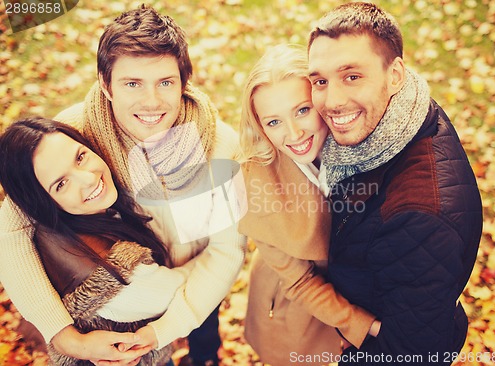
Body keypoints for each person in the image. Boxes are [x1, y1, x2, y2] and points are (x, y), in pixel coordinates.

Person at [0, 5, 245, 366]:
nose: (151, 102)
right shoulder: (75, 135)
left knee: (205, 336)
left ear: (184, 81)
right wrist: (65, 337)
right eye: (132, 83)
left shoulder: (221, 146)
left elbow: (226, 252)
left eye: (165, 82)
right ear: (106, 84)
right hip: (131, 283)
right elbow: (12, 230)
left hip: (199, 276)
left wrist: (166, 328)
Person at [307, 2, 482, 365]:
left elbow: (410, 356)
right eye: (320, 81)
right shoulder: (406, 113)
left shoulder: (418, 218)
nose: (333, 101)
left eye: (352, 76)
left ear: (396, 74)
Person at [0, 117, 197, 365]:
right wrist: (211, 253)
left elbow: (112, 109)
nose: (88, 179)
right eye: (61, 184)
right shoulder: (105, 273)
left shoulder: (81, 217)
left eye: (80, 157)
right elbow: (181, 291)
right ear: (41, 203)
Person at [238, 44, 380, 366]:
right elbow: (300, 282)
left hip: (360, 288)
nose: (293, 133)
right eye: (273, 122)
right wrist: (367, 325)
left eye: (302, 110)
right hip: (294, 302)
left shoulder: (359, 141)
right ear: (259, 126)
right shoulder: (253, 186)